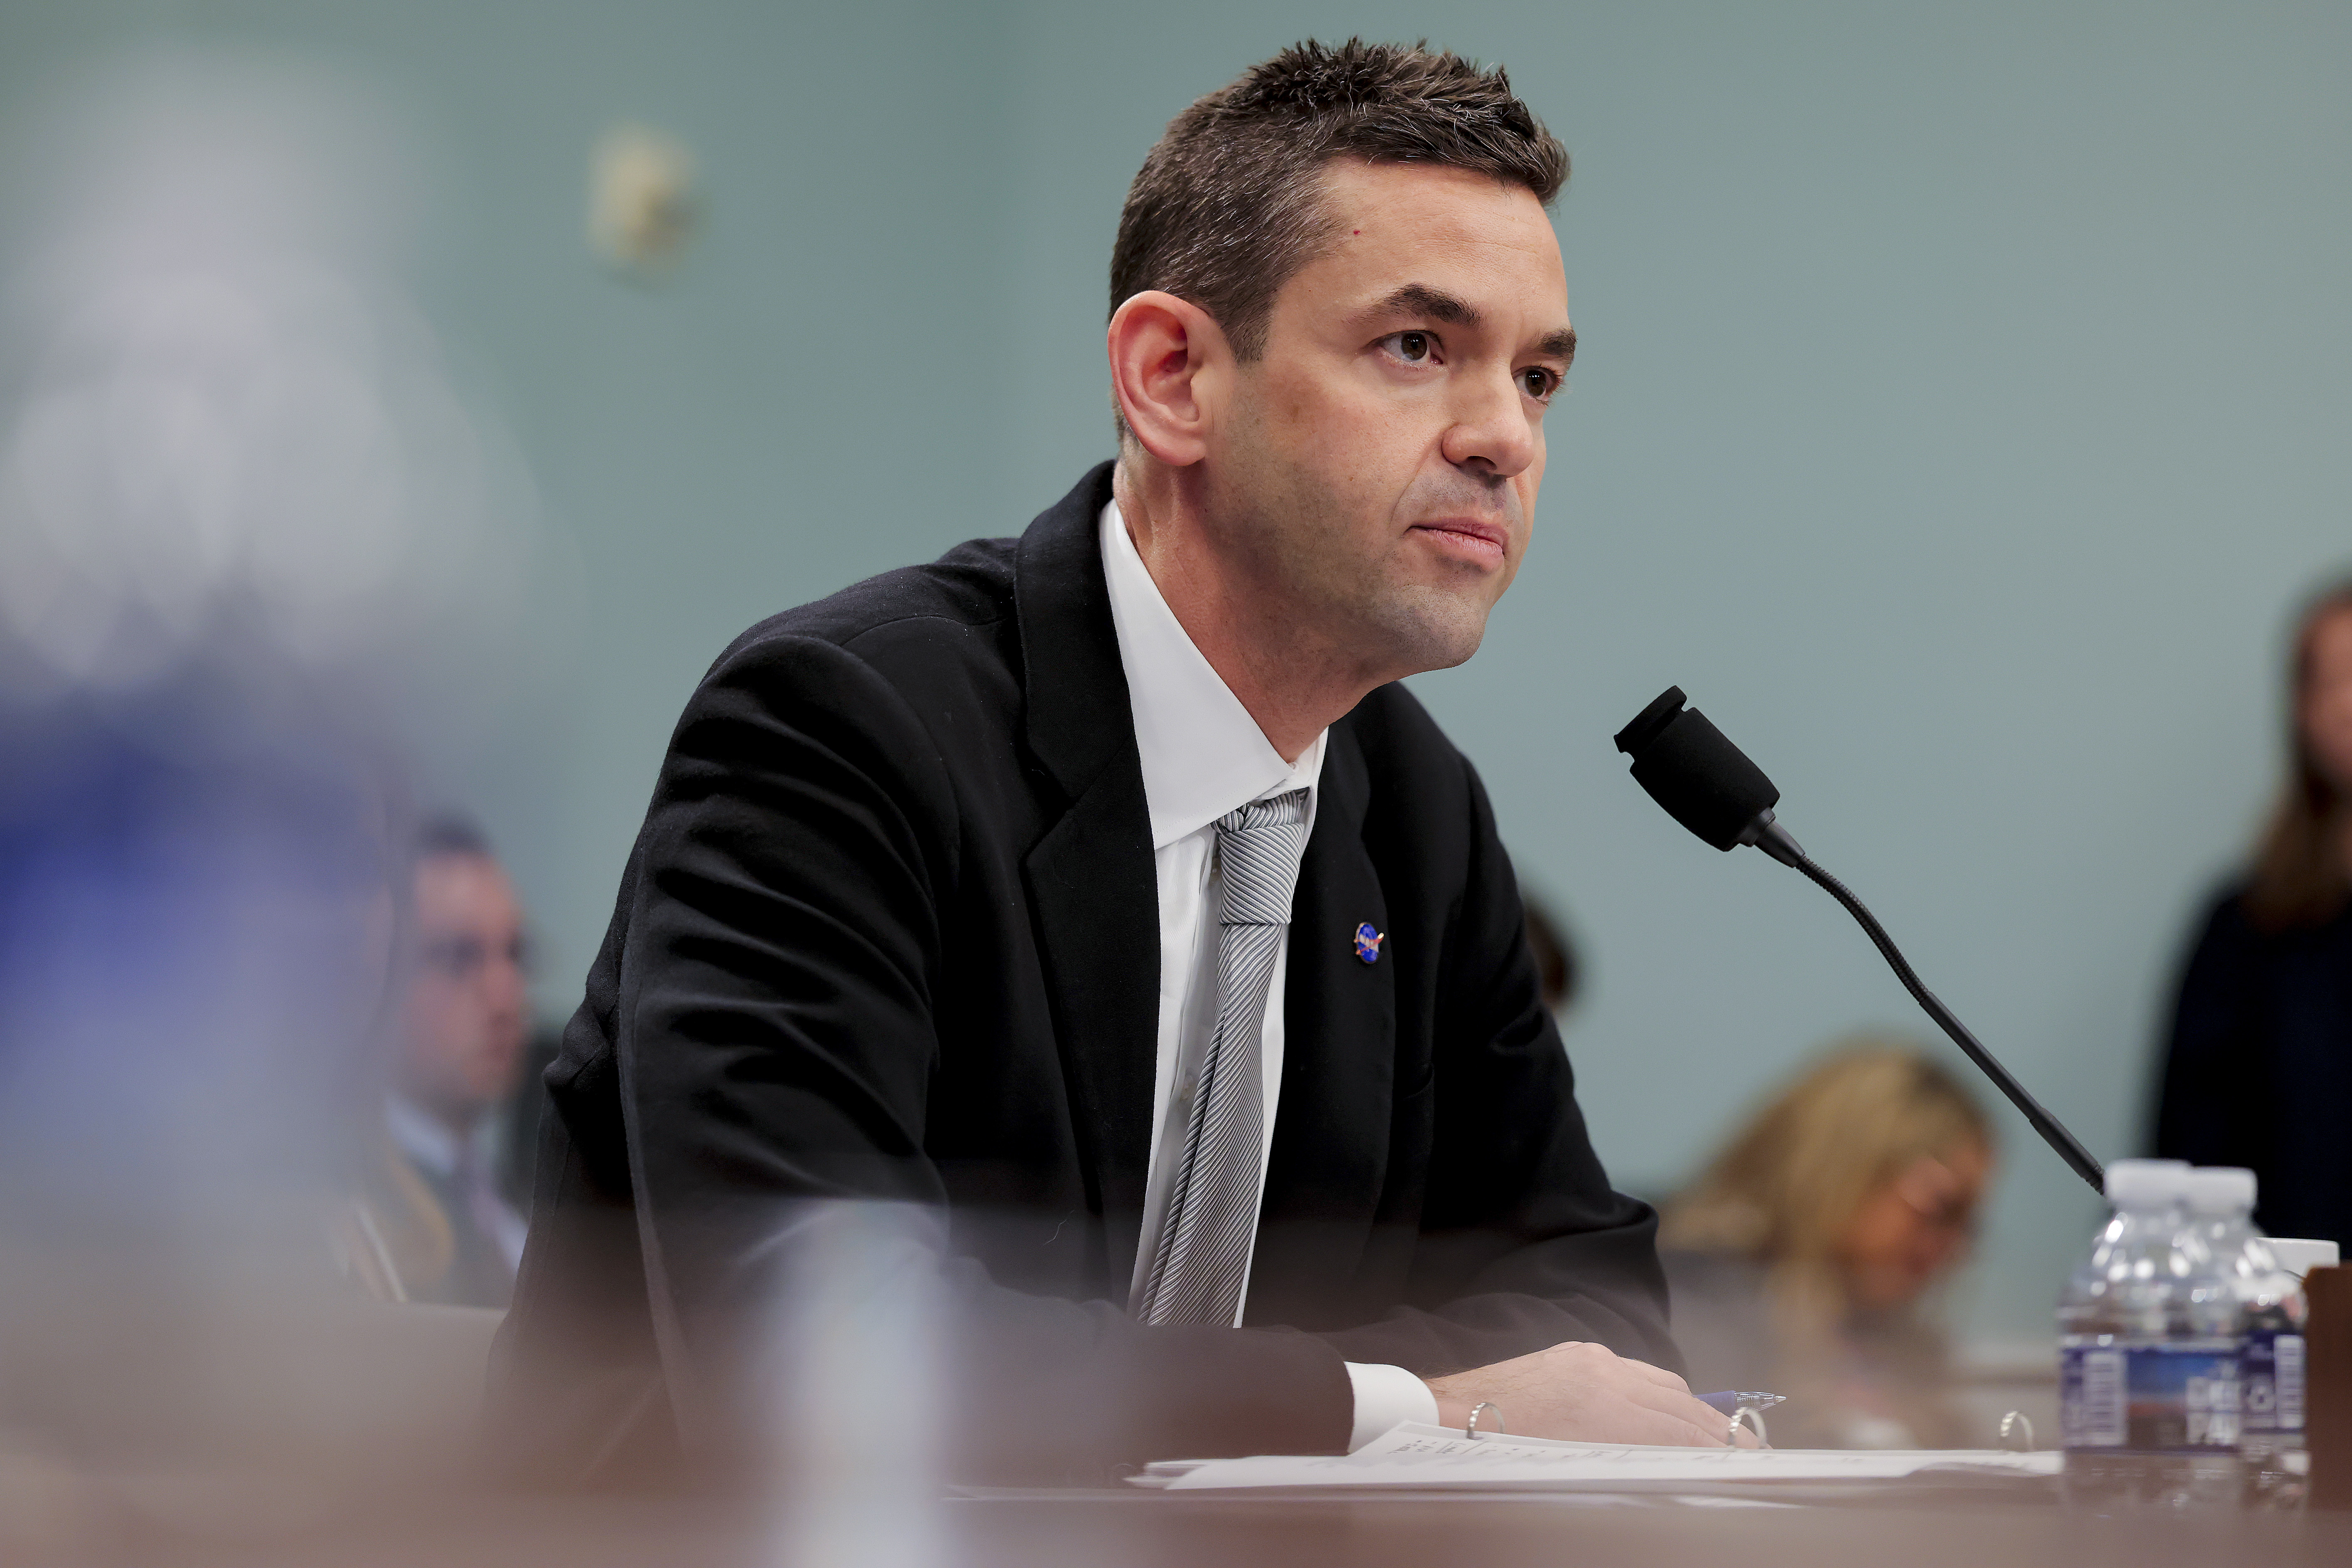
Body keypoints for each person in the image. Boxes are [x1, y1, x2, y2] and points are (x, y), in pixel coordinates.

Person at [493, 40, 1735, 1487]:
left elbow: (1594, 1310)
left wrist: (1399, 1391)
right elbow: (816, 1356)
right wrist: (1399, 1401)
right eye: (1416, 349)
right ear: (1169, 379)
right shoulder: (842, 730)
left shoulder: (1408, 808)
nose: (1502, 439)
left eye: (1536, 378)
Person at [1658, 1043, 1994, 1449]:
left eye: (1968, 1223)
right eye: (1940, 1207)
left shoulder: (1890, 1338)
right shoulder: (1692, 1301)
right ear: (1846, 1167)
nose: (1954, 1248)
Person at [2153, 575, 2352, 1245]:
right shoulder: (2242, 929)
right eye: (2341, 677)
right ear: (2302, 708)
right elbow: (2182, 1157)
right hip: (2277, 1320)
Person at [349, 816, 534, 1308]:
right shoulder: (349, 1220)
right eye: (458, 957)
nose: (505, 994)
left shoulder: (525, 1201)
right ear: (373, 982)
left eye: (515, 955)